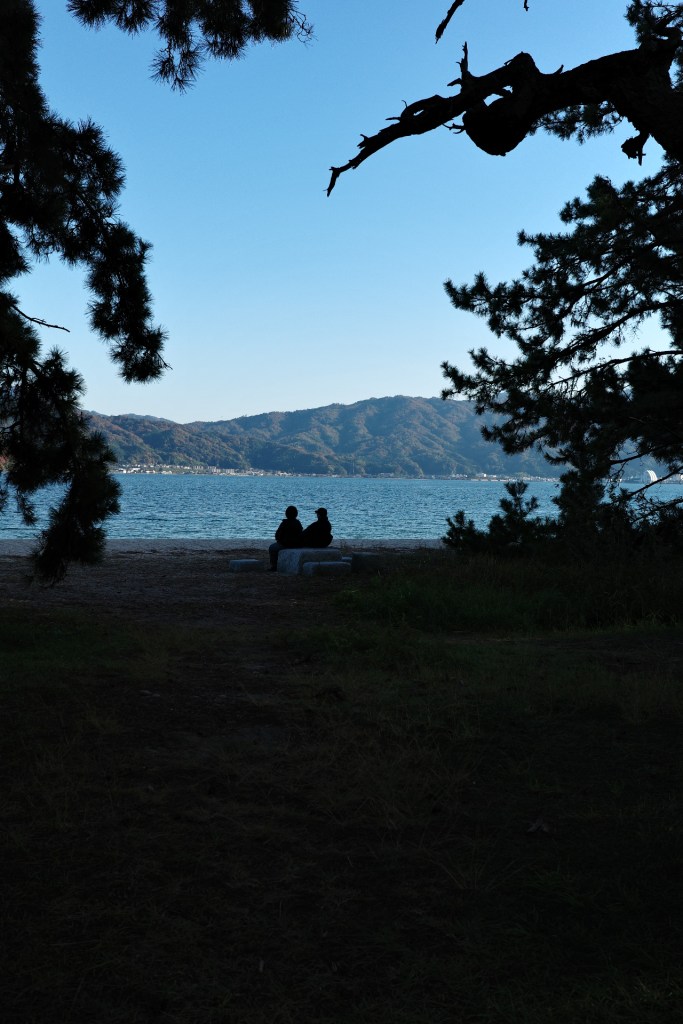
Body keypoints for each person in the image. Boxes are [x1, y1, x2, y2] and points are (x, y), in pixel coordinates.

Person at [268, 505, 304, 570]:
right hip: (296, 544)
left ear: (286, 514)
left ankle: (274, 566)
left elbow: (278, 534)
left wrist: (280, 541)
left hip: (286, 544)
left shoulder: (285, 523)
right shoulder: (298, 523)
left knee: (272, 548)